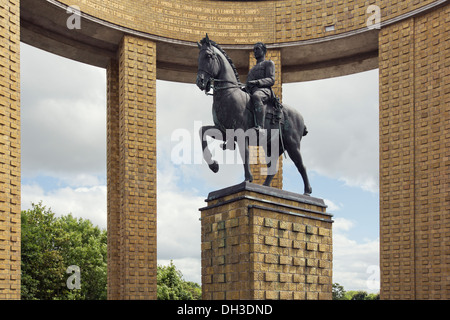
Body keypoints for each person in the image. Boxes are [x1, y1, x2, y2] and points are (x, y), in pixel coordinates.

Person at [246, 42, 276, 135]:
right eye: (254, 49)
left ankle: (260, 127)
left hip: (265, 90)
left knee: (256, 97)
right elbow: (248, 84)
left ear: (264, 51)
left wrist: (257, 82)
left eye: (257, 49)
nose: (255, 51)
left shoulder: (269, 63)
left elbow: (271, 79)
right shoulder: (252, 69)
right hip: (252, 91)